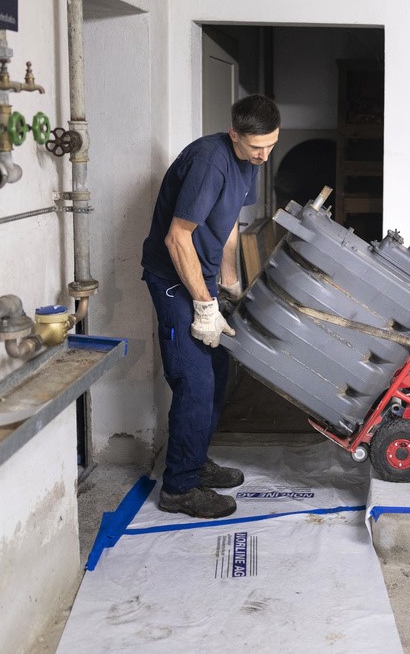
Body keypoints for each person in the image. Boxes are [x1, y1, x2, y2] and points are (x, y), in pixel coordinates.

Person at [140, 95, 280, 517]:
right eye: (257, 147)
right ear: (234, 134)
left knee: (218, 373)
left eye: (272, 145)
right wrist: (203, 306)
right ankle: (179, 488)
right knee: (194, 380)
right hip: (173, 281)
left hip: (202, 278)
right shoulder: (209, 162)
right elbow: (176, 238)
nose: (264, 155)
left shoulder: (248, 162)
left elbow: (228, 225)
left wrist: (231, 282)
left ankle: (195, 461)